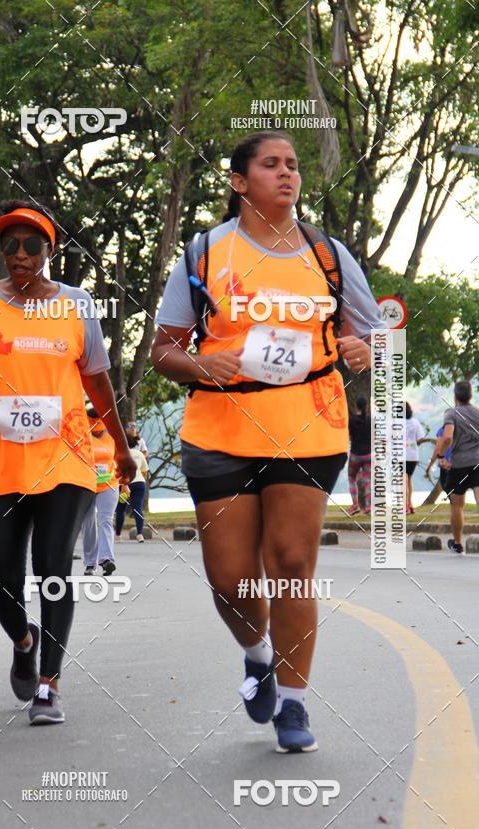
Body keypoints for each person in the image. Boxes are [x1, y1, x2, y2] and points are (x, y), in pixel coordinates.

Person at [152, 130, 385, 752]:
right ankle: (258, 655)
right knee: (231, 580)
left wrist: (364, 348)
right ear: (239, 180)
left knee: (289, 564)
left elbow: (374, 338)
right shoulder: (204, 253)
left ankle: (294, 702)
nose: (287, 174)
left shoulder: (329, 255)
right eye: (270, 164)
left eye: (293, 165)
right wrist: (202, 367)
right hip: (220, 429)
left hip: (307, 424)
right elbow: (164, 349)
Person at [0, 199, 135, 725]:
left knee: (54, 568)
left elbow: (97, 380)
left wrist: (119, 446)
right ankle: (24, 642)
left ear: (51, 251)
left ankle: (49, 684)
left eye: (32, 244)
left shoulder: (77, 305)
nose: (19, 253)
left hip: (65, 458)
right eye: (10, 243)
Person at [436, 380, 479, 554]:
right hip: (477, 462)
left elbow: (447, 437)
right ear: (471, 395)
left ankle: (458, 543)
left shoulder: (451, 413)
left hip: (459, 465)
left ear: (455, 396)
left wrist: (440, 456)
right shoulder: (477, 413)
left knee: (457, 505)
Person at [82, 408, 119, 576]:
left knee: (106, 521)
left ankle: (106, 559)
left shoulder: (112, 434)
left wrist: (125, 482)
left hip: (109, 484)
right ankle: (90, 563)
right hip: (86, 484)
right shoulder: (82, 432)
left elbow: (119, 458)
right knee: (88, 523)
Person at [115, 435, 149, 541]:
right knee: (137, 509)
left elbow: (116, 470)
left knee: (121, 509)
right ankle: (139, 534)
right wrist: (140, 479)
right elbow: (144, 471)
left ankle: (118, 535)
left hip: (124, 484)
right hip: (139, 483)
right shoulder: (139, 454)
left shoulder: (120, 454)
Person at [347, 396, 371, 514]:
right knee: (368, 480)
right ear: (367, 406)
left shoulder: (351, 420)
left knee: (352, 478)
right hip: (369, 455)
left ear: (356, 406)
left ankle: (355, 504)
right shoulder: (370, 420)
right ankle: (369, 506)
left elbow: (348, 436)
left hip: (355, 454)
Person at [405, 402, 424, 514]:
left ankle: (405, 506)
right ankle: (410, 504)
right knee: (408, 480)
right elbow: (420, 438)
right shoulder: (415, 422)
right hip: (413, 456)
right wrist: (413, 444)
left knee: (402, 482)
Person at [425, 425, 452, 500]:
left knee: (446, 485)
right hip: (460, 461)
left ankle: (455, 506)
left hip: (445, 462)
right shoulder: (460, 428)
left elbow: (437, 449)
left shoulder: (443, 430)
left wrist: (430, 465)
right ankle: (457, 506)